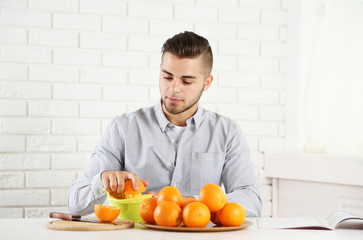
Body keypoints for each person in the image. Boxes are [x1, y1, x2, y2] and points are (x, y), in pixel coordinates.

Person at [68, 31, 262, 217]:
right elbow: (76, 205)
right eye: (167, 77)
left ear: (207, 83)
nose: (173, 88)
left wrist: (189, 203)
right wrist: (103, 180)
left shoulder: (227, 132)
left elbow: (251, 200)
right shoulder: (123, 128)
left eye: (186, 81)